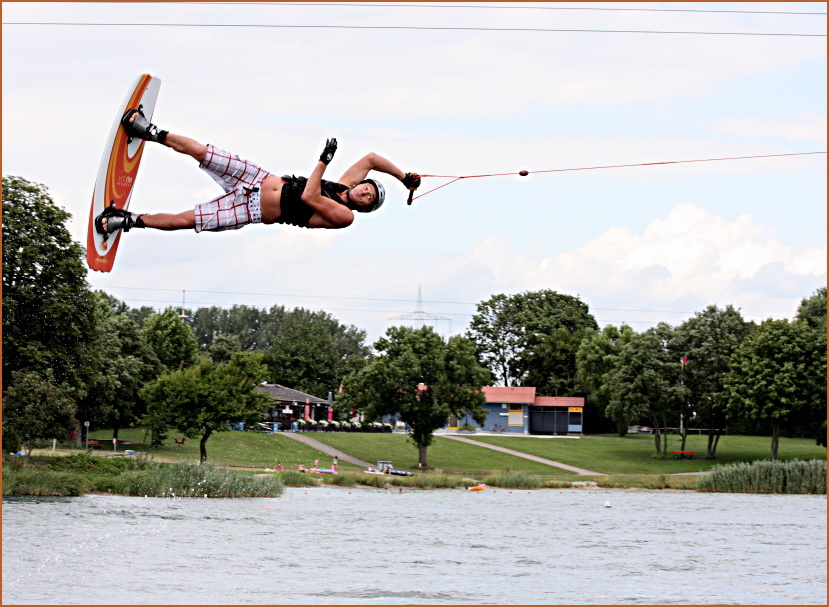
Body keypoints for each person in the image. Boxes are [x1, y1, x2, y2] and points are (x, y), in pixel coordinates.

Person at [95, 108, 421, 236]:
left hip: (250, 209)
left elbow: (309, 194)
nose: (365, 193)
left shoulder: (343, 215)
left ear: (362, 209)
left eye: (369, 200)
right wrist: (403, 177)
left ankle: (127, 220)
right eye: (369, 188)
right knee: (203, 152)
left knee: (186, 220)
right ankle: (148, 130)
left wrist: (323, 160)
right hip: (258, 178)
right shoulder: (345, 185)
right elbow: (373, 157)